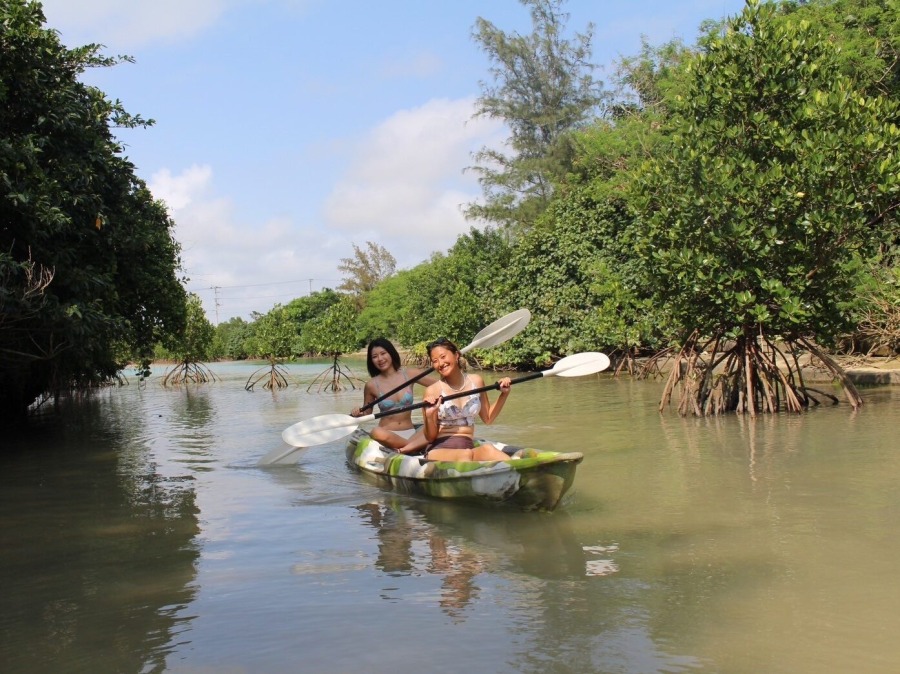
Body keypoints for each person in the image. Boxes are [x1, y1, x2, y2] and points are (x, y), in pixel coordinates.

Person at [419, 337, 512, 462]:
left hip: (467, 447)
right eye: (435, 361)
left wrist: (504, 394)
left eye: (443, 357)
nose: (440, 364)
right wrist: (430, 415)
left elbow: (488, 418)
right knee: (466, 455)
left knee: (488, 450)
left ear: (456, 355)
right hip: (440, 450)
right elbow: (430, 438)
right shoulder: (432, 391)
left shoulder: (476, 381)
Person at [350, 338, 436, 453]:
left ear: (391, 353)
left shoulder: (410, 374)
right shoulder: (371, 385)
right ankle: (415, 447)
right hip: (387, 436)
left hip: (411, 433)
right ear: (371, 361)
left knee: (438, 423)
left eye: (383, 353)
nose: (380, 359)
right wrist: (358, 413)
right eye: (374, 356)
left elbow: (440, 385)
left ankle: (408, 447)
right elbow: (367, 413)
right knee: (376, 432)